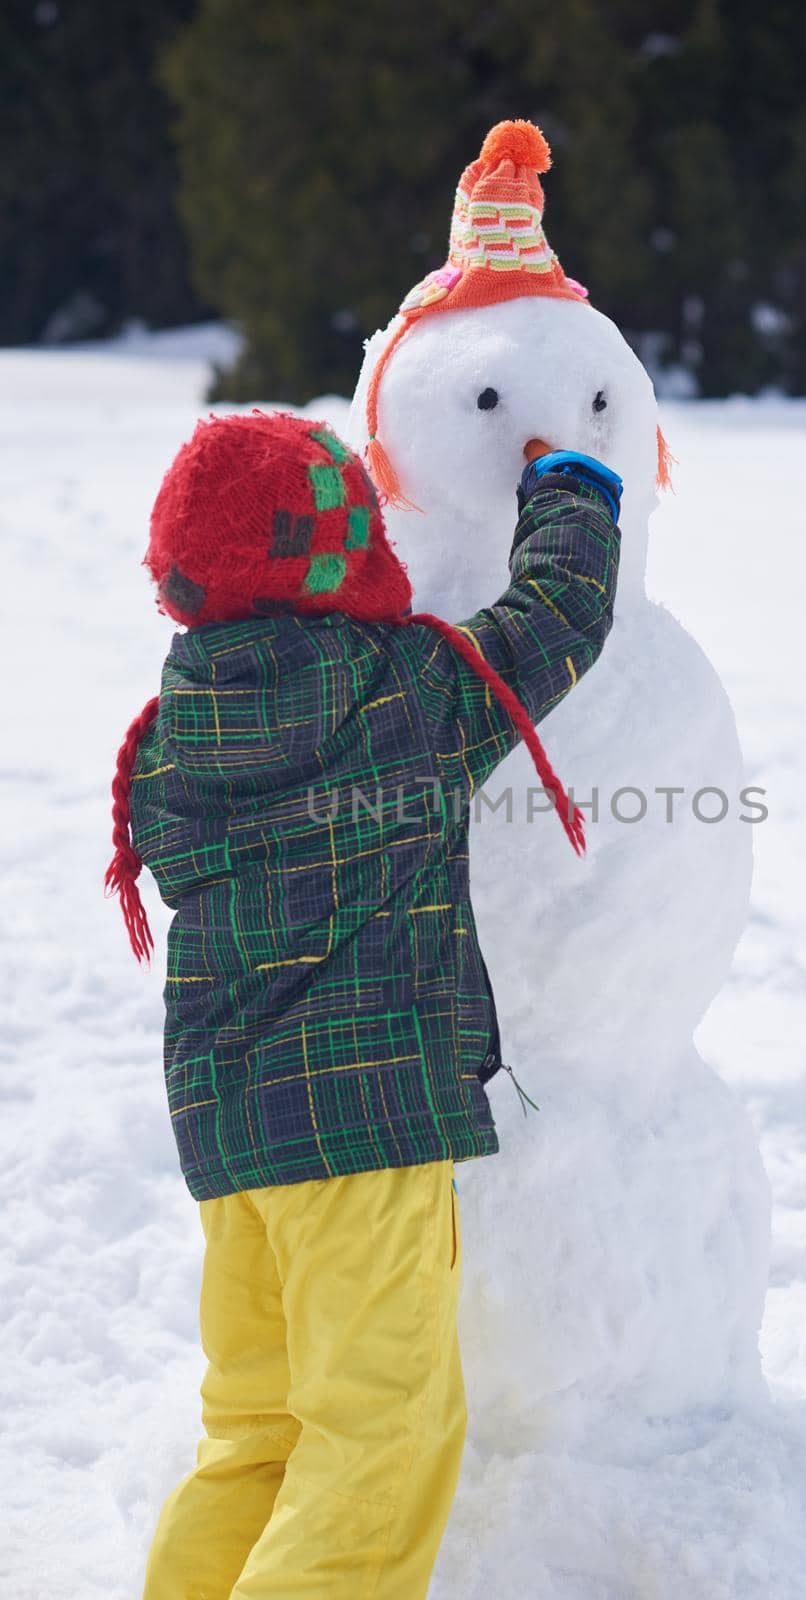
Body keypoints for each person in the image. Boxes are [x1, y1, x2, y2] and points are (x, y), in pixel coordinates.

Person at [105, 409, 622, 1599]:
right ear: (345, 561)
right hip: (361, 1128)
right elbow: (554, 624)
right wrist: (571, 492)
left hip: (233, 1146)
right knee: (377, 1435)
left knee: (259, 1435)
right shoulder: (406, 696)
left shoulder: (177, 731)